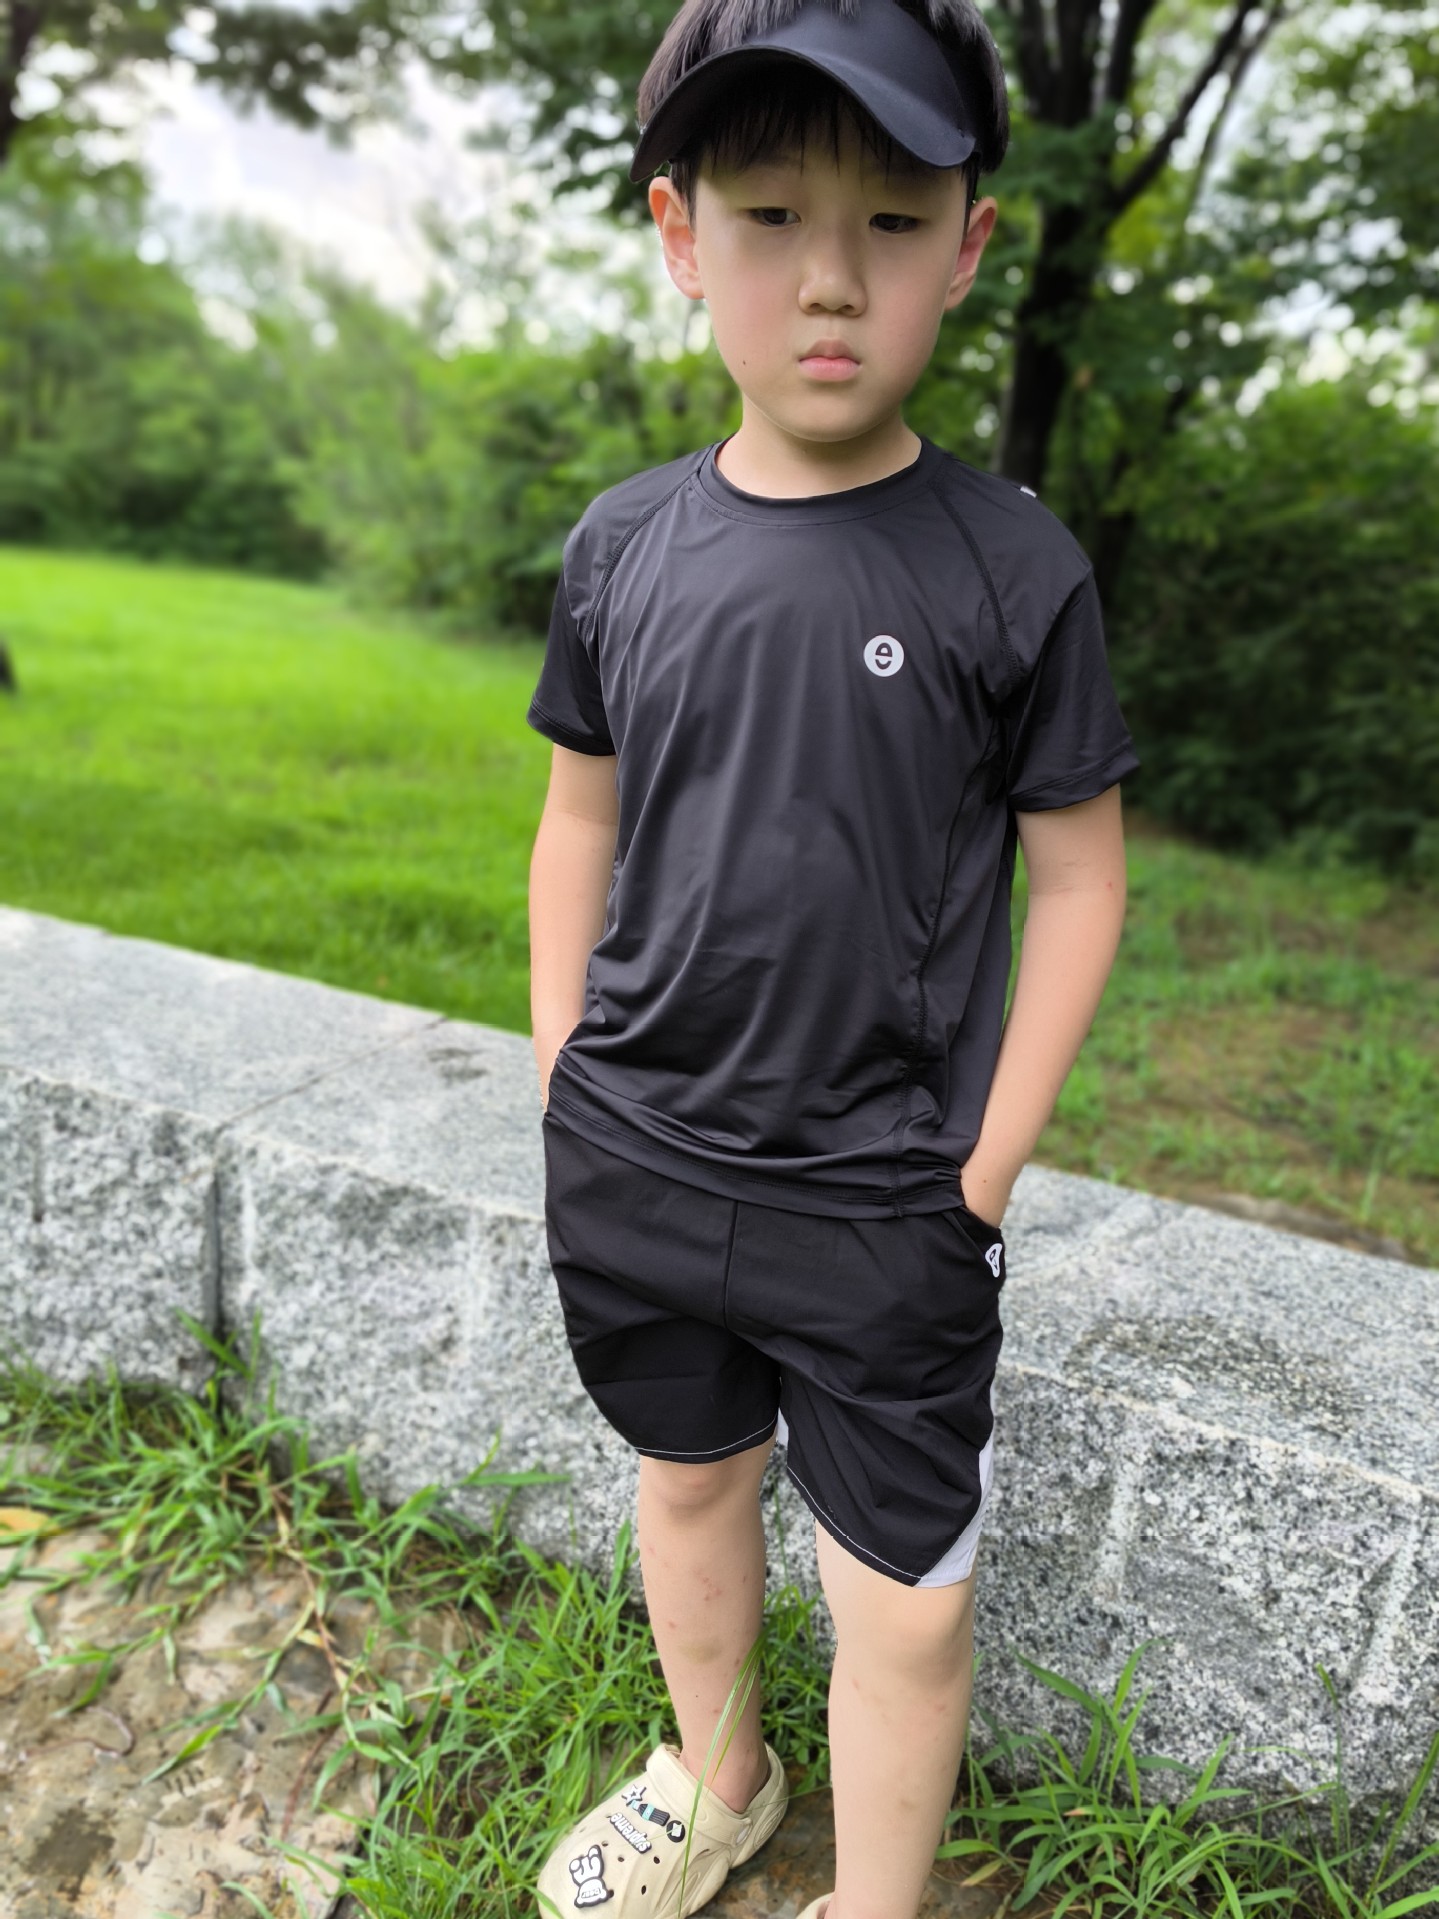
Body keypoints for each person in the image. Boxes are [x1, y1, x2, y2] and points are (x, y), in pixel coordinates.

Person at [526, 2, 1139, 1915]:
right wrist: (562, 1072)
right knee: (687, 1477)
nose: (829, 278)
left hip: (885, 1204)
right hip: (636, 1158)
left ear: (967, 246)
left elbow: (1082, 883)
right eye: (773, 213)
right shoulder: (624, 548)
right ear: (680, 232)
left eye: (890, 221)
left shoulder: (1010, 569)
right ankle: (715, 1781)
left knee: (906, 1602)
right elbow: (576, 823)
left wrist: (981, 1174)